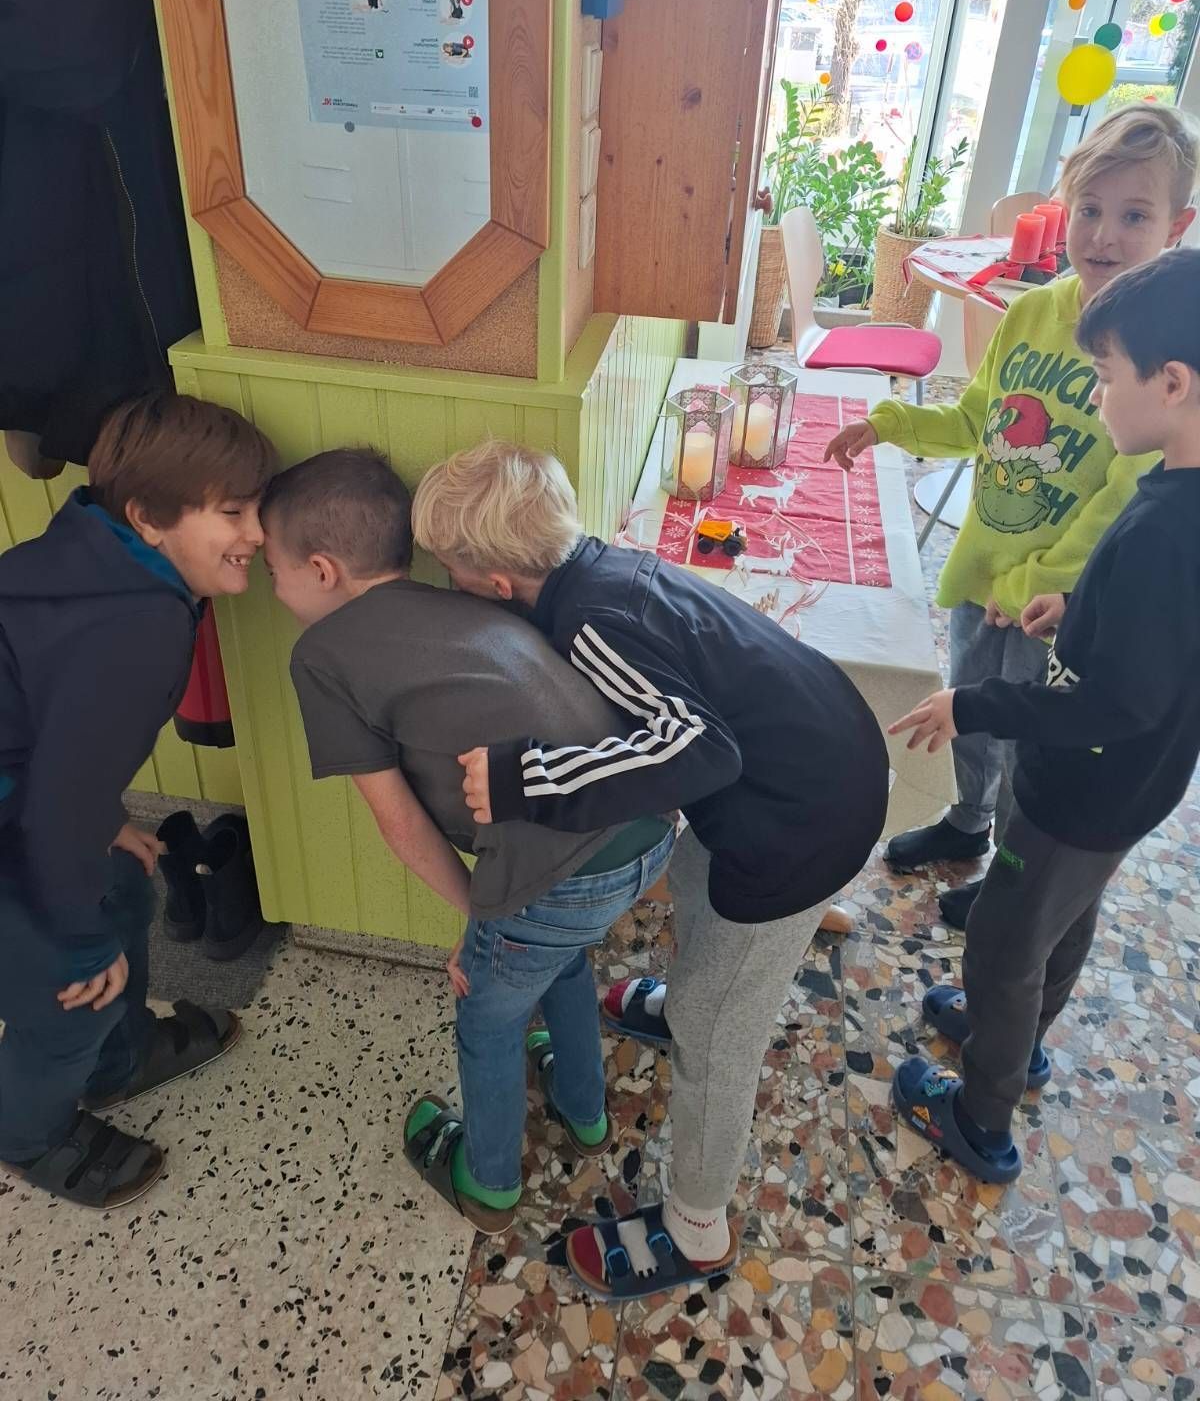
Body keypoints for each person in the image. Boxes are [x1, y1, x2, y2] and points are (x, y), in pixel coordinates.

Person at [411, 441, 889, 1299]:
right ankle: (681, 1002)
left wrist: (528, 777)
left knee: (718, 1029)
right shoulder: (601, 572)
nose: (450, 583)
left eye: (452, 570)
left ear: (496, 583)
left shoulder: (590, 626)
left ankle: (698, 1228)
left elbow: (698, 748)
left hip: (801, 829)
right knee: (699, 877)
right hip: (815, 768)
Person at [258, 450, 674, 1237]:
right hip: (647, 829)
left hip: (556, 870)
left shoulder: (321, 656)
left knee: (486, 1012)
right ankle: (584, 1112)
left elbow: (399, 821)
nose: (268, 588)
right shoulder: (464, 597)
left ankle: (489, 1185)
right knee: (559, 955)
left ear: (320, 571)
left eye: (271, 572)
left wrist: (477, 918)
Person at [825, 105, 1199, 923]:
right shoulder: (1029, 313)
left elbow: (1124, 498)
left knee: (1034, 742)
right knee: (970, 705)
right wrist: (892, 424)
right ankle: (967, 823)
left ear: (1178, 226)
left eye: (1134, 216)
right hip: (982, 568)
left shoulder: (1159, 359)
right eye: (1089, 209)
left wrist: (1034, 580)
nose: (1103, 235)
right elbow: (976, 419)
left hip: (1051, 601)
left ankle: (1014, 873)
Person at [886, 248, 1200, 1182]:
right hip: (1135, 792)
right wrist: (1080, 607)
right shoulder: (1179, 502)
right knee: (1066, 919)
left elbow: (1114, 703)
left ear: (1172, 383)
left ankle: (981, 1113)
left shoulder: (1160, 532)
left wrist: (974, 701)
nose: (1097, 400)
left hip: (1078, 790)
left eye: (1106, 378)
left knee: (1005, 941)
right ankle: (1016, 1042)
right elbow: (1159, 645)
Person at [0, 392, 276, 1207]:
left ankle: (120, 1063)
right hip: (22, 810)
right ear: (149, 518)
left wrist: (104, 818)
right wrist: (81, 947)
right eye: (233, 513)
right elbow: (56, 810)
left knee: (121, 886)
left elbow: (56, 740)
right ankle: (27, 1134)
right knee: (71, 990)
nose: (259, 534)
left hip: (19, 790)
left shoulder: (92, 548)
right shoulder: (142, 628)